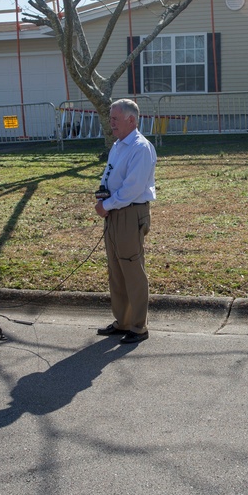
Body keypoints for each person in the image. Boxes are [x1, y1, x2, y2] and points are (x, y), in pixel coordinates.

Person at [94, 99, 156, 344]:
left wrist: (106, 205)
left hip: (130, 213)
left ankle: (139, 327)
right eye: (111, 118)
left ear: (132, 119)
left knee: (132, 269)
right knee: (116, 270)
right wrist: (103, 197)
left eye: (115, 119)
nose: (111, 123)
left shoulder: (141, 147)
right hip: (114, 212)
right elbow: (110, 175)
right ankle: (123, 321)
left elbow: (132, 189)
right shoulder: (118, 145)